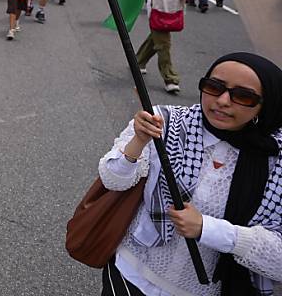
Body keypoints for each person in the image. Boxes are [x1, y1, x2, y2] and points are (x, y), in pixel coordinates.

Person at [96, 52, 282, 296]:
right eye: (214, 87)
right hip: (131, 273)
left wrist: (208, 229)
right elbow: (112, 179)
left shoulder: (274, 157)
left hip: (203, 289)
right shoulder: (166, 121)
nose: (224, 100)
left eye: (243, 96)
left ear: (265, 105)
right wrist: (137, 143)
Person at [137, 0, 228, 94]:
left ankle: (138, 61)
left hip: (174, 12)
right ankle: (170, 79)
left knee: (156, 40)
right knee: (164, 46)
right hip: (157, 11)